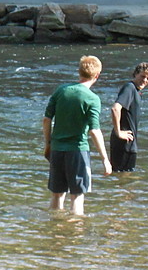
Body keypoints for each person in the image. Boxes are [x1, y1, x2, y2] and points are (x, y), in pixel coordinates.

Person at [43, 55, 112, 215]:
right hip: (78, 151)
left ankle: (55, 231)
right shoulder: (92, 98)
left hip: (57, 150)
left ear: (79, 71)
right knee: (77, 196)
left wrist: (48, 144)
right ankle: (75, 236)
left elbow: (46, 120)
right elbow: (94, 130)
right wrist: (105, 159)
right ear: (97, 75)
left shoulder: (61, 90)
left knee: (57, 195)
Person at [109, 62, 148, 172]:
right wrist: (118, 132)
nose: (145, 80)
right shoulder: (130, 88)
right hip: (124, 143)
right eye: (143, 76)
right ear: (136, 74)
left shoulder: (136, 91)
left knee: (124, 178)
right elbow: (115, 108)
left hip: (128, 143)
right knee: (123, 177)